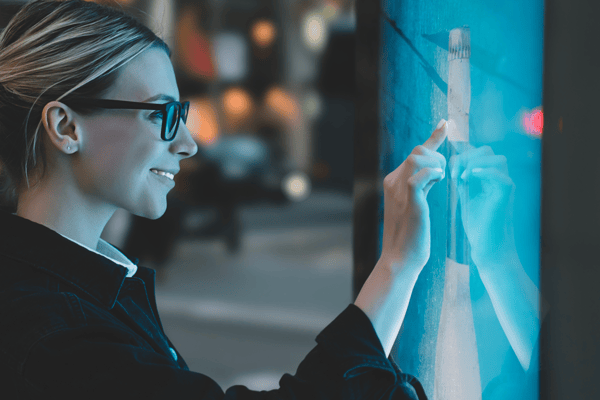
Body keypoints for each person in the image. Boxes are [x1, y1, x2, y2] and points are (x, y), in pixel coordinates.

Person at [0, 0, 447, 398]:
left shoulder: (57, 295)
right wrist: (397, 264)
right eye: (165, 115)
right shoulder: (58, 339)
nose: (189, 144)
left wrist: (397, 266)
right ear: (66, 128)